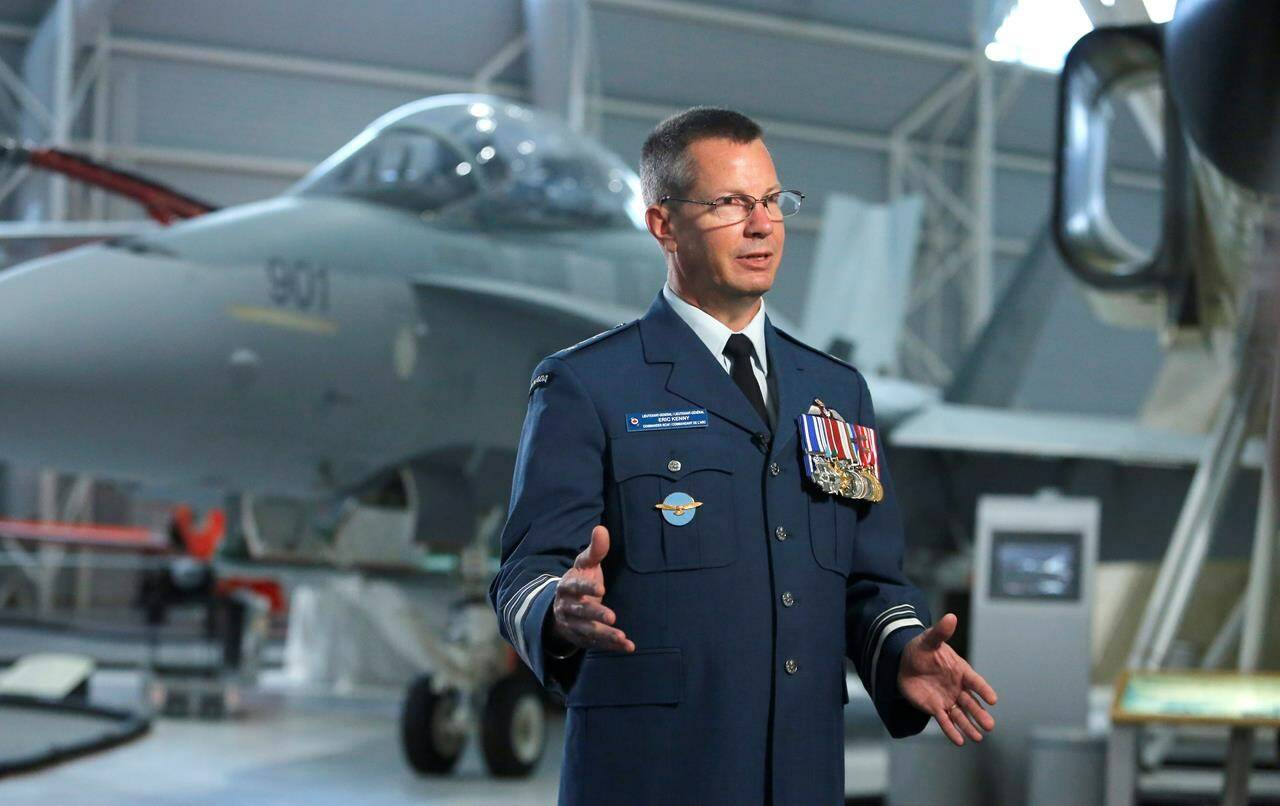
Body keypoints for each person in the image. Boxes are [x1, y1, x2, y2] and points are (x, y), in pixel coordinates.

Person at [488, 107, 996, 805]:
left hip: (801, 779)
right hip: (650, 780)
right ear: (663, 224)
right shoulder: (587, 385)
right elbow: (523, 574)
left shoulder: (838, 393)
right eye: (729, 203)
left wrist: (900, 647)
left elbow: (871, 580)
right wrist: (559, 609)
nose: (761, 225)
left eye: (772, 201)